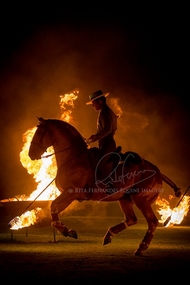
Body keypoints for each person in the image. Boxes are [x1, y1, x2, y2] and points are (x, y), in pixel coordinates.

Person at [86, 90, 118, 192]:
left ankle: (110, 185)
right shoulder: (106, 111)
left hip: (107, 144)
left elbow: (107, 129)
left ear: (100, 101)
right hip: (106, 143)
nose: (93, 106)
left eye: (93, 103)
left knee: (100, 161)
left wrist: (94, 138)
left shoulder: (104, 112)